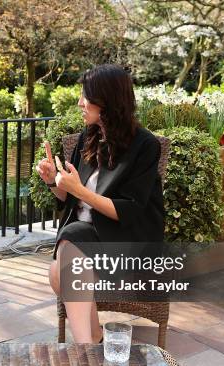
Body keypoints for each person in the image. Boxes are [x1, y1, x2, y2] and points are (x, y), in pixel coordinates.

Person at [36, 64, 165, 343]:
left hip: (125, 240)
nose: (80, 103)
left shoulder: (145, 146)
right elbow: (73, 200)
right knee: (60, 267)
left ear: (108, 101)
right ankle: (93, 344)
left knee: (66, 254)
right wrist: (53, 182)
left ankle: (86, 349)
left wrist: (79, 190)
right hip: (87, 238)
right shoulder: (90, 136)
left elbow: (128, 211)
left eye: (87, 97)